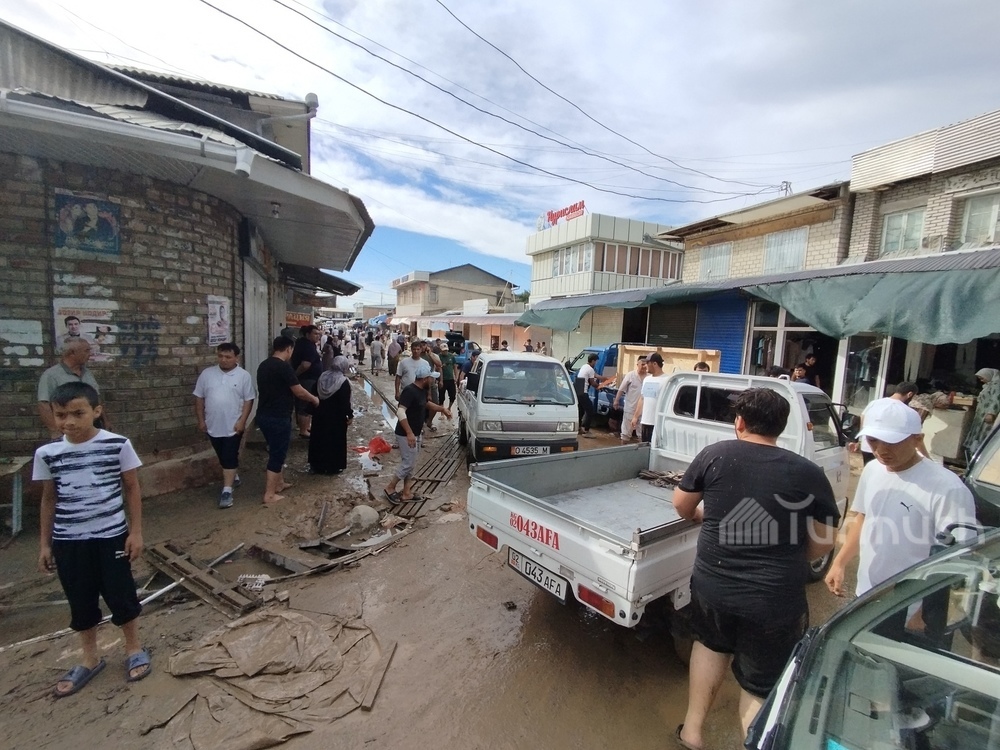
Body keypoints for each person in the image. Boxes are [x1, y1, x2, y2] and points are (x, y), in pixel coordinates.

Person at [673, 388, 840, 748]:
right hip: (774, 601)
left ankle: (692, 732)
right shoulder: (808, 472)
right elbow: (826, 540)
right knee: (760, 684)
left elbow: (682, 505)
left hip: (713, 588)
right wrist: (788, 558)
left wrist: (703, 516)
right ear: (781, 426)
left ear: (740, 422)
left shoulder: (715, 455)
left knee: (710, 645)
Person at [33, 382, 151, 697]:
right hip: (68, 541)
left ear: (96, 411)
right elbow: (48, 499)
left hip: (111, 536)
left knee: (121, 593)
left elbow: (132, 488)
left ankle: (133, 648)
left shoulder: (118, 445)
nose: (69, 422)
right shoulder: (48, 453)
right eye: (61, 415)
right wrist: (45, 544)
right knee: (80, 598)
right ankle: (90, 657)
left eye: (78, 413)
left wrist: (135, 531)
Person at [826, 398, 977, 601]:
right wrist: (840, 562)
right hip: (866, 592)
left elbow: (957, 556)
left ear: (917, 439)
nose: (881, 450)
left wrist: (923, 609)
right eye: (873, 440)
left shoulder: (948, 488)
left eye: (892, 442)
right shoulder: (872, 470)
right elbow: (863, 519)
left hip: (909, 603)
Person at [256, 336, 320, 505]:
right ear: (289, 349)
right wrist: (314, 399)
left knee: (275, 449)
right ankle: (270, 494)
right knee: (277, 454)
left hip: (263, 415)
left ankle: (280, 483)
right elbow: (298, 391)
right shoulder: (284, 367)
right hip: (278, 416)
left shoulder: (264, 365)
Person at [193, 343, 255, 509]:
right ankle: (233, 475)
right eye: (220, 356)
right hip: (213, 424)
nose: (224, 360)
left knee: (229, 454)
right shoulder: (207, 374)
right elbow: (199, 398)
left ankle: (227, 491)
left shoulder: (243, 376)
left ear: (236, 358)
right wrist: (201, 420)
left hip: (233, 425)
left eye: (228, 357)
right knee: (222, 454)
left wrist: (242, 421)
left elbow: (249, 400)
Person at [383, 362, 451, 504]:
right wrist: (409, 433)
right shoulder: (409, 391)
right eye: (431, 378)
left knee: (412, 463)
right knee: (408, 463)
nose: (433, 381)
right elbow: (400, 412)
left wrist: (442, 409)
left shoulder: (422, 391)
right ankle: (390, 487)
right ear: (425, 379)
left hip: (416, 432)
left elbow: (425, 403)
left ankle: (407, 492)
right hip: (406, 434)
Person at [38, 338, 102, 439]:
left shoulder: (87, 373)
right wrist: (55, 430)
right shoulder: (51, 375)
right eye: (86, 351)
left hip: (92, 428)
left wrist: (105, 421)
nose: (90, 354)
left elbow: (96, 400)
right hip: (69, 428)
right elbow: (43, 404)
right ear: (72, 353)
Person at [849, 381, 918, 465]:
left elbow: (863, 419)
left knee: (869, 468)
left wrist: (859, 441)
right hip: (885, 449)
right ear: (910, 394)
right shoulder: (903, 410)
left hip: (866, 446)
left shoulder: (874, 403)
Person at [309, 356, 353, 475]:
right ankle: (333, 467)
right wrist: (350, 415)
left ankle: (317, 465)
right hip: (336, 418)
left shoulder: (322, 377)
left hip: (320, 415)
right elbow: (345, 402)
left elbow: (313, 393)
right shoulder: (342, 382)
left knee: (318, 439)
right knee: (334, 441)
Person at [291, 325, 322, 438]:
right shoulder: (307, 346)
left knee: (307, 404)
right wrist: (295, 376)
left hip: (309, 379)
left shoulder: (306, 344)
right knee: (305, 404)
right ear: (308, 334)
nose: (318, 336)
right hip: (307, 379)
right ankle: (303, 430)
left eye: (318, 334)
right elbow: (305, 365)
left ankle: (306, 427)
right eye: (315, 334)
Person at [631, 352, 667, 443]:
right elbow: (642, 398)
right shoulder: (647, 379)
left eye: (647, 363)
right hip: (645, 421)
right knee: (645, 446)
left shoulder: (666, 380)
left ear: (655, 364)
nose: (645, 365)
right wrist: (635, 417)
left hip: (658, 423)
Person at [965, 368, 1000, 455]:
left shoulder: (996, 385)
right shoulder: (989, 385)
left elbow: (996, 400)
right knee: (978, 435)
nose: (981, 380)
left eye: (982, 378)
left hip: (987, 415)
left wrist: (991, 413)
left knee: (984, 435)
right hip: (982, 414)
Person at [613, 356, 647, 442]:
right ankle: (624, 447)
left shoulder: (649, 377)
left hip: (643, 410)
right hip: (630, 408)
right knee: (625, 434)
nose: (644, 366)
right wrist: (616, 400)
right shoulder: (630, 375)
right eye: (642, 364)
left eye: (646, 364)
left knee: (642, 435)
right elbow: (621, 389)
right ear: (637, 364)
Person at [438, 342, 458, 417]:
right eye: (443, 351)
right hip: (442, 379)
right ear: (441, 350)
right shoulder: (438, 357)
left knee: (453, 396)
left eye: (446, 350)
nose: (445, 352)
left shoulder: (451, 356)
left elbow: (455, 367)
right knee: (441, 397)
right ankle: (442, 412)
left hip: (450, 379)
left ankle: (449, 408)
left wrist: (456, 377)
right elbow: (437, 368)